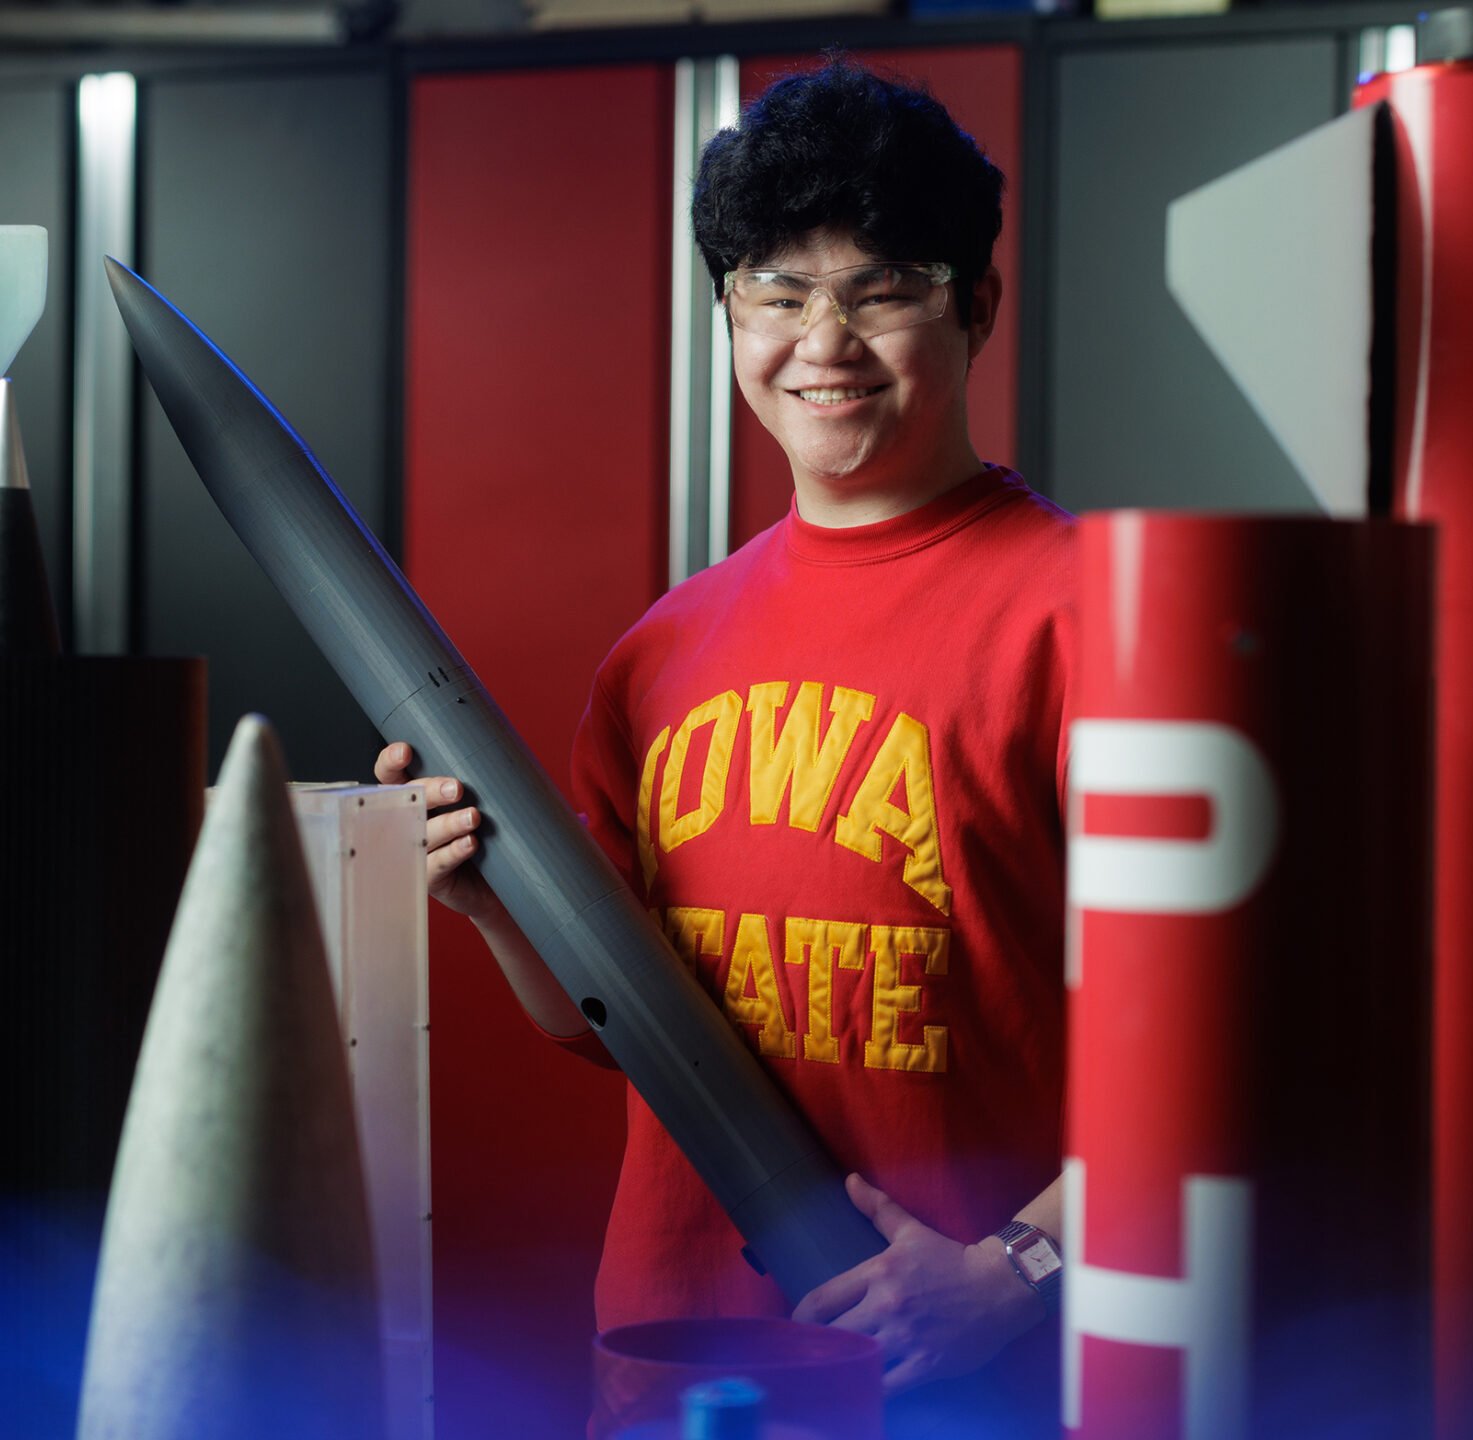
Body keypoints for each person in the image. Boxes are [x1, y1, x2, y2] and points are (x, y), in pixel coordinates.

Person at [379, 57, 1072, 1436]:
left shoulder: (1090, 616)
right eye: (776, 288)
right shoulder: (665, 650)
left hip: (956, 1370)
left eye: (884, 286)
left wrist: (1023, 1269)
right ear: (729, 314)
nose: (825, 340)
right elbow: (615, 1030)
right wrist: (492, 905)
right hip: (673, 1353)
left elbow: (1229, 1049)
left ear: (977, 305)